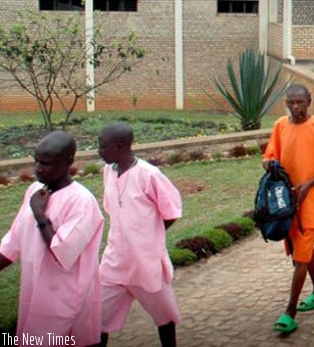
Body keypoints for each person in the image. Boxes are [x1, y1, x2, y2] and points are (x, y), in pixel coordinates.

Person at [0, 131, 103, 346]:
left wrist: (40, 215)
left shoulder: (82, 202)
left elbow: (61, 252)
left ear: (68, 162)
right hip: (35, 293)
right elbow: (14, 241)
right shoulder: (35, 190)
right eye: (36, 161)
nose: (38, 168)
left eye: (46, 163)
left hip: (65, 299)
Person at [262, 85, 314, 334]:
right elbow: (270, 155)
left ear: (309, 101)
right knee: (301, 249)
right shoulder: (280, 126)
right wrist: (268, 164)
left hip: (312, 198)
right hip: (286, 200)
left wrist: (308, 184)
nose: (296, 108)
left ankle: (290, 312)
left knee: (300, 255)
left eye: (300, 103)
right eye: (291, 103)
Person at [97, 123, 182, 346]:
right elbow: (113, 208)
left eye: (102, 146)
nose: (99, 152)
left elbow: (171, 210)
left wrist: (149, 234)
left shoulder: (149, 175)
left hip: (146, 261)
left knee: (164, 316)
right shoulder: (108, 171)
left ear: (121, 145)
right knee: (96, 316)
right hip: (115, 260)